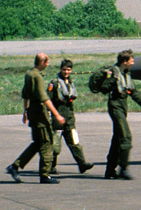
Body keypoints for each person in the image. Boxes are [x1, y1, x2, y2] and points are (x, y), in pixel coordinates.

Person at [6, 53, 65, 184]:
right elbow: (44, 98)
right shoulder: (37, 77)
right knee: (46, 142)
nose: (48, 65)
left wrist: (25, 111)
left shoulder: (29, 74)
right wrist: (57, 115)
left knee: (37, 143)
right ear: (42, 63)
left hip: (33, 111)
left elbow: (25, 94)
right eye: (47, 62)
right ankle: (45, 174)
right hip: (39, 114)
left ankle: (15, 166)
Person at [104, 49, 141, 180]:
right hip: (115, 106)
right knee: (126, 138)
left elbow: (133, 92)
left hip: (122, 107)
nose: (133, 62)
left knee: (117, 139)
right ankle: (123, 169)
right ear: (125, 62)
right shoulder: (114, 73)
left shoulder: (126, 73)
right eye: (131, 60)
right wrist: (112, 80)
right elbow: (104, 88)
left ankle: (110, 171)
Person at [48, 59, 94, 174]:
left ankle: (82, 164)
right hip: (57, 115)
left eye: (68, 70)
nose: (66, 72)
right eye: (64, 69)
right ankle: (50, 167)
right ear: (60, 69)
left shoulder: (70, 83)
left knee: (74, 141)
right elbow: (47, 100)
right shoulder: (54, 83)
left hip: (69, 116)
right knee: (55, 144)